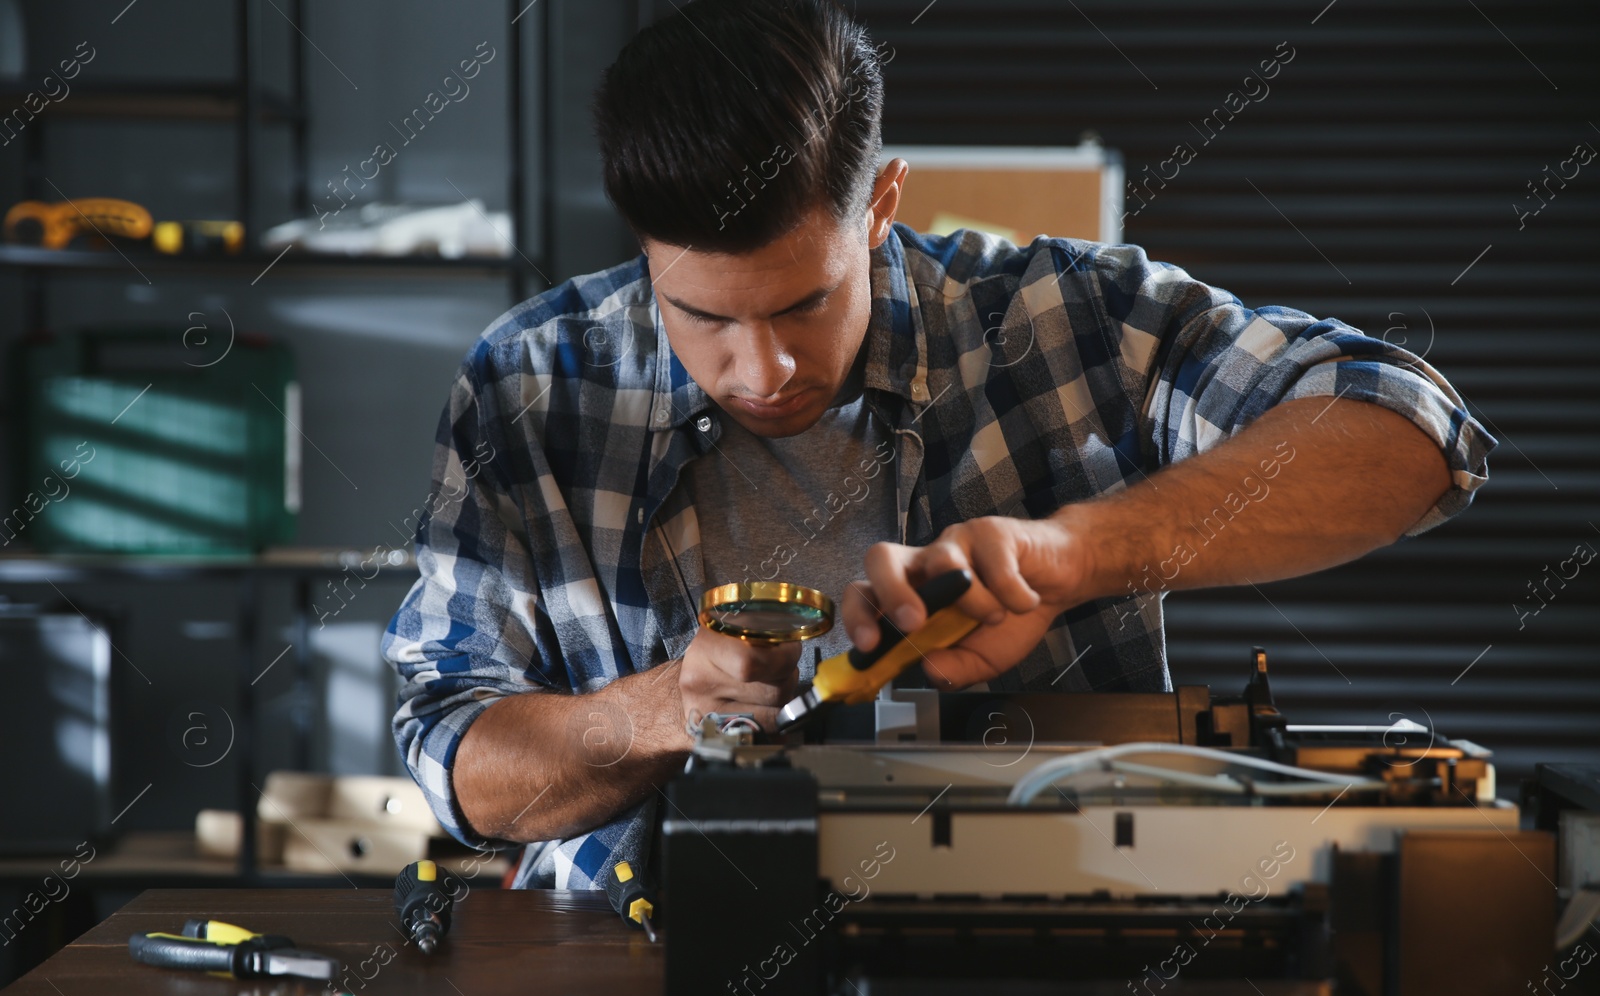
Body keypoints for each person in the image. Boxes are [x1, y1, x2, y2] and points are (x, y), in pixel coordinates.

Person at [382, 0, 1492, 889]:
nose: (761, 369)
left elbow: (1410, 429)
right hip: (645, 958)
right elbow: (456, 761)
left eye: (805, 303)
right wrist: (667, 708)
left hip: (1052, 937)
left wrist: (1071, 558)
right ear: (640, 237)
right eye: (705, 317)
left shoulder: (1064, 319)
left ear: (880, 203)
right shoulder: (531, 383)